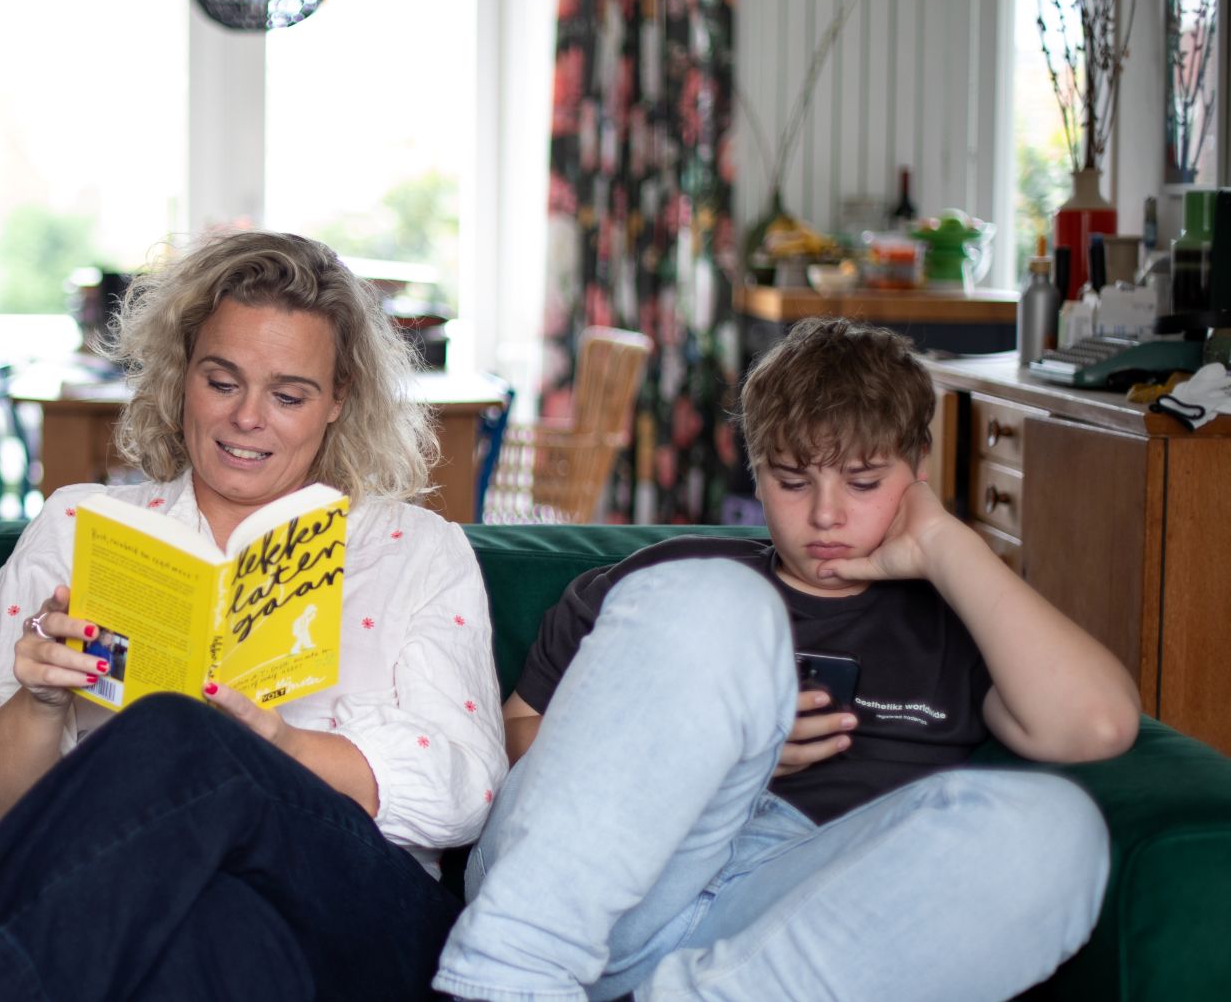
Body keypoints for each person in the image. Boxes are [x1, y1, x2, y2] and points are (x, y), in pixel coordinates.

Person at [434, 317, 1139, 1002]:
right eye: (794, 481)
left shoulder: (956, 618)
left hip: (781, 909)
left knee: (1059, 831)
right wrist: (711, 756)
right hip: (600, 889)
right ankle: (507, 978)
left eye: (864, 482)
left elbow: (1099, 724)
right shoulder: (672, 582)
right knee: (720, 601)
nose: (827, 515)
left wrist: (948, 544)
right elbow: (514, 739)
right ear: (757, 471)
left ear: (917, 470)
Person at [0, 232, 508, 1001]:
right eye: (222, 382)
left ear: (339, 399)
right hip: (186, 920)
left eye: (288, 396)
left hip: (365, 905)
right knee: (209, 925)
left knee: (180, 729)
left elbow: (466, 789)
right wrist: (41, 701)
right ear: (183, 374)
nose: (248, 417)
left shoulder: (417, 549)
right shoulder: (81, 527)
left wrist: (280, 748)